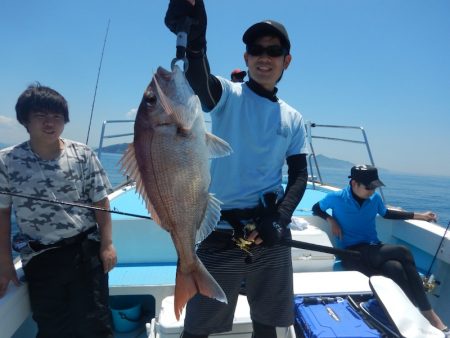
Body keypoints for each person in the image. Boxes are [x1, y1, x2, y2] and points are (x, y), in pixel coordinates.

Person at [165, 1, 308, 337]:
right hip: (219, 233)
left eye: (274, 51)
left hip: (269, 231)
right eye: (256, 50)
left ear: (286, 61)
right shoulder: (228, 94)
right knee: (198, 327)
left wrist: (280, 217)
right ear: (246, 58)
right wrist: (196, 39)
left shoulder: (294, 118)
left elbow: (299, 174)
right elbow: (199, 83)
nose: (264, 57)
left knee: (268, 323)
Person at [0, 83, 117, 338]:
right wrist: (5, 263)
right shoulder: (6, 161)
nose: (49, 123)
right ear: (25, 120)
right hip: (41, 258)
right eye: (41, 116)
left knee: (96, 323)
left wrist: (107, 244)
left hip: (85, 251)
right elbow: (2, 214)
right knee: (52, 326)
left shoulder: (83, 154)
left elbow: (101, 203)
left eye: (57, 116)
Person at [312, 164, 449, 334]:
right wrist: (331, 219)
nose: (372, 191)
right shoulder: (336, 197)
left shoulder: (374, 199)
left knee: (395, 267)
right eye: (369, 187)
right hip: (352, 253)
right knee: (403, 252)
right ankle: (430, 316)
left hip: (373, 248)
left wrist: (420, 215)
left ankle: (410, 315)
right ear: (354, 183)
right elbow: (316, 208)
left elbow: (386, 213)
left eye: (374, 187)